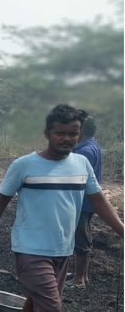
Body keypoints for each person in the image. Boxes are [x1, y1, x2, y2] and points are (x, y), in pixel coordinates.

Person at [0, 104, 123, 312]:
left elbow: (97, 199)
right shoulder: (24, 165)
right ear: (47, 133)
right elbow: (0, 202)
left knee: (37, 300)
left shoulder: (82, 164)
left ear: (79, 135)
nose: (66, 139)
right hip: (30, 247)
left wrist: (122, 230)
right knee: (52, 310)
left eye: (72, 134)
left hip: (63, 248)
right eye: (60, 133)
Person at [66, 116, 101, 289]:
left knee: (80, 239)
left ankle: (79, 279)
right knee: (83, 236)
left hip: (80, 202)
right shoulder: (90, 146)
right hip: (86, 202)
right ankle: (81, 275)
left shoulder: (84, 152)